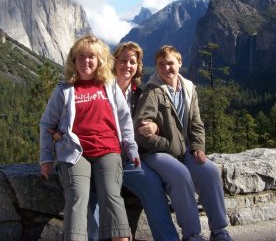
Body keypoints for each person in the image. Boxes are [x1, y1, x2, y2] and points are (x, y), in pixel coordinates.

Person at [39, 34, 140, 241]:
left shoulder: (110, 86)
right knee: (77, 197)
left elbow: (124, 120)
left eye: (91, 56)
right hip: (76, 153)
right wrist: (46, 158)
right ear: (73, 60)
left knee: (112, 195)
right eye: (81, 56)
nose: (86, 61)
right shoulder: (64, 90)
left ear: (99, 60)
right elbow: (47, 124)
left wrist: (131, 148)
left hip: (108, 150)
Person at [133, 45, 233, 241]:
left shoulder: (189, 88)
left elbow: (196, 123)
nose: (165, 68)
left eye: (170, 63)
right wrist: (167, 144)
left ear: (180, 63)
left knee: (211, 171)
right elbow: (141, 131)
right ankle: (192, 235)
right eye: (160, 64)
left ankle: (220, 232)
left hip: (185, 152)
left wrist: (198, 148)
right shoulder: (152, 92)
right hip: (156, 153)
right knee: (180, 174)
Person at [88, 42, 180, 241]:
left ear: (138, 66)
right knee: (92, 194)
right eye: (123, 60)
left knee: (152, 185)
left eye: (132, 61)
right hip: (101, 154)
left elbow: (158, 119)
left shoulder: (142, 93)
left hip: (130, 158)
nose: (127, 65)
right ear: (114, 62)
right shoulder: (99, 89)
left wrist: (155, 126)